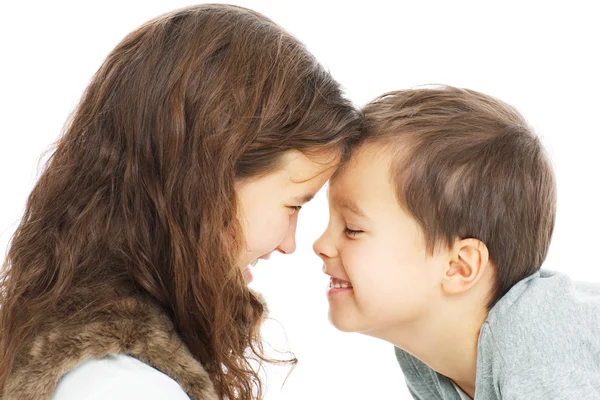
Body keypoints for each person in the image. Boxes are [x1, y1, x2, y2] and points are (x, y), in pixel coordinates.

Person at [0, 4, 361, 400]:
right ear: (206, 185)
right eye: (294, 205)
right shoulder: (120, 386)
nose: (289, 243)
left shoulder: (70, 348)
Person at [313, 86, 600, 399]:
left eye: (352, 229)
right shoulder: (423, 358)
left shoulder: (537, 341)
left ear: (458, 267)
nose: (321, 244)